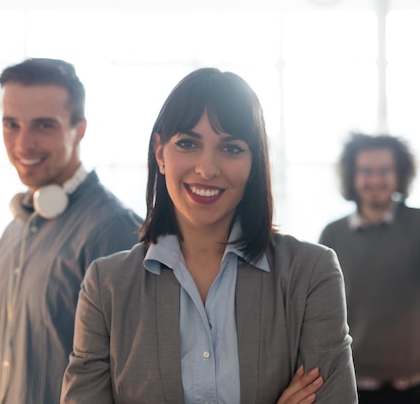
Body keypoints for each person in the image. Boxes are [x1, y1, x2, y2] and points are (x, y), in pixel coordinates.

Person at [61, 68, 358, 404]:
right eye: (187, 143)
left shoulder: (310, 273)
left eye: (231, 149)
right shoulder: (107, 285)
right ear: (160, 153)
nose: (207, 168)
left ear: (254, 162)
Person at [0, 58, 142, 404]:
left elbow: (134, 381)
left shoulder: (114, 230)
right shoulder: (14, 230)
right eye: (11, 124)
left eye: (44, 126)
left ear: (80, 129)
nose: (23, 143)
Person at [319, 133, 420, 404]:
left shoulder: (417, 225)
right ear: (352, 176)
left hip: (409, 383)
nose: (375, 180)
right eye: (366, 171)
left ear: (400, 175)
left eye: (385, 171)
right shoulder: (333, 234)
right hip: (350, 380)